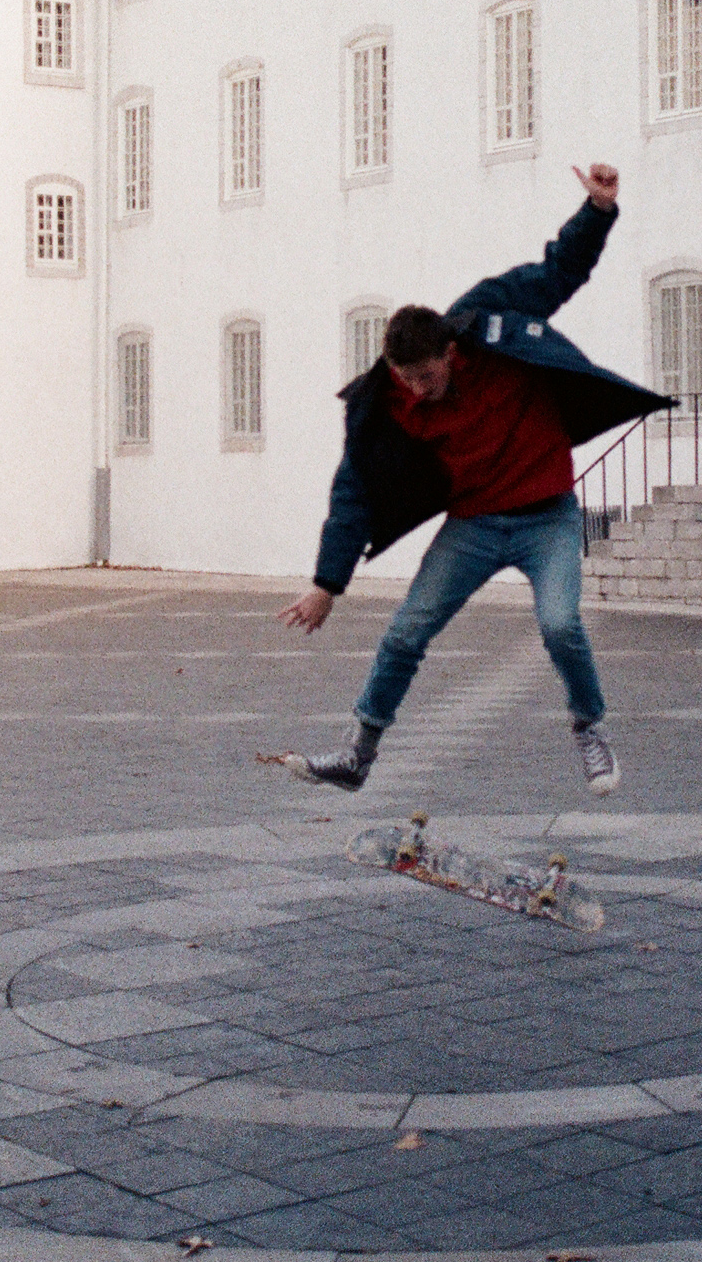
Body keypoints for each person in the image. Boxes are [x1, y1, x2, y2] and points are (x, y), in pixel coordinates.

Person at [273, 162, 670, 794]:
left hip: (547, 515)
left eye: (426, 379)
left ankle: (589, 730)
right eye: (406, 381)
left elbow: (556, 273)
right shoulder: (384, 402)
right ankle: (358, 755)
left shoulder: (489, 319)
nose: (418, 393)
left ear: (450, 354)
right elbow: (353, 492)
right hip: (474, 526)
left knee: (561, 625)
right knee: (406, 631)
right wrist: (327, 583)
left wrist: (596, 212)